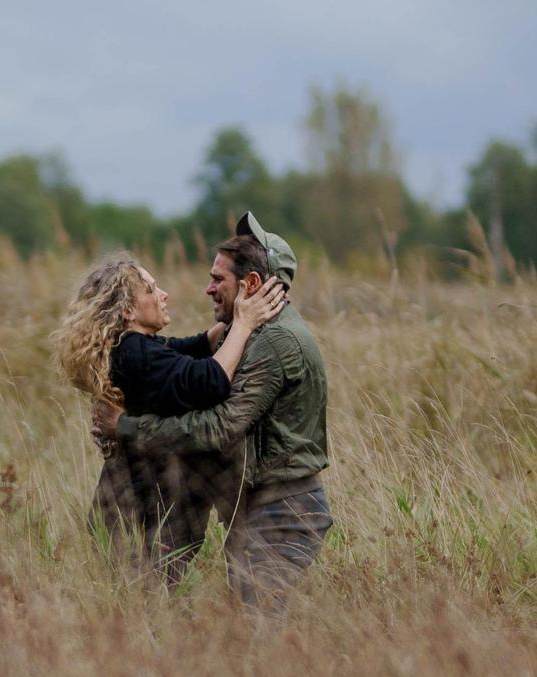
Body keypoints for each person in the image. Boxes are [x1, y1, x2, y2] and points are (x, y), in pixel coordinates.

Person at [93, 212, 333, 614]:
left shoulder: (274, 343)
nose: (208, 289)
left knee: (256, 626)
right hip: (260, 505)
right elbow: (178, 362)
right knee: (246, 624)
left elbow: (220, 425)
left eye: (218, 279)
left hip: (284, 509)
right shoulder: (252, 334)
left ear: (251, 285)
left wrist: (126, 426)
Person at [54, 252, 285, 583]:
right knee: (141, 612)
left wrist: (236, 314)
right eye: (150, 289)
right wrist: (245, 324)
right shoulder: (135, 354)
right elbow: (210, 381)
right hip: (140, 518)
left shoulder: (134, 346)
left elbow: (187, 349)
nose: (163, 294)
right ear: (127, 310)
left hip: (131, 513)